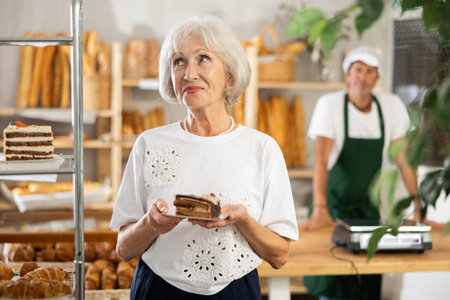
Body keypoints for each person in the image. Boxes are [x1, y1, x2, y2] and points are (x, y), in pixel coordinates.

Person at [110, 15, 299, 300]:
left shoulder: (263, 148)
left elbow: (280, 255)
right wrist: (150, 223)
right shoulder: (149, 143)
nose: (188, 73)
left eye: (203, 59)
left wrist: (243, 220)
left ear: (230, 74)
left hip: (235, 291)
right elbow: (124, 249)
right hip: (159, 289)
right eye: (178, 61)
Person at [301, 46, 421, 300]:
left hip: (367, 210)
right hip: (332, 206)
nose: (362, 77)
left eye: (370, 71)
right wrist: (320, 208)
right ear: (347, 74)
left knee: (366, 281)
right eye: (357, 70)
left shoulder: (390, 106)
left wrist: (417, 207)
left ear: (376, 78)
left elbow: (405, 161)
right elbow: (321, 160)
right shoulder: (330, 105)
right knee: (333, 282)